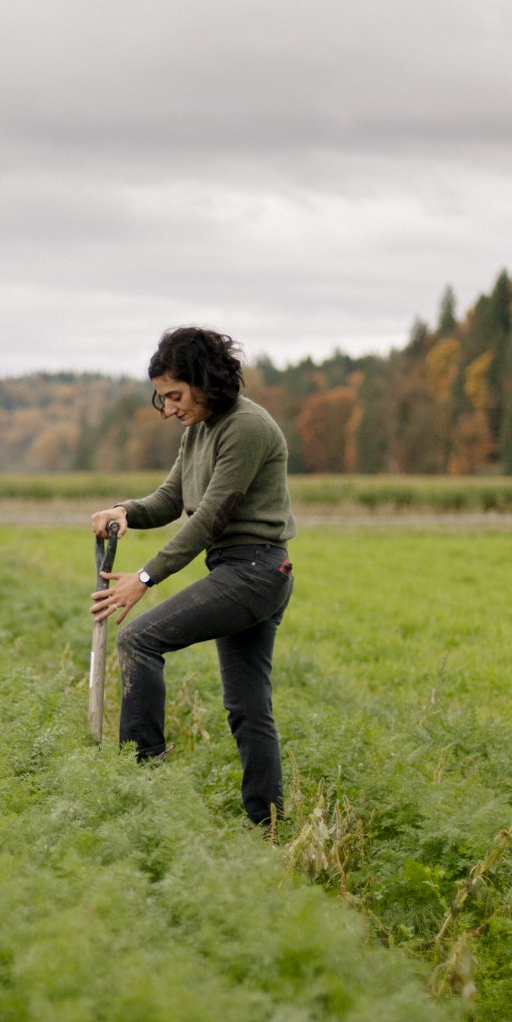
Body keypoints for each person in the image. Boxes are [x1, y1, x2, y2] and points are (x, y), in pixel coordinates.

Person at [90, 326, 296, 827]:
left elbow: (208, 518)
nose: (171, 407)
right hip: (239, 570)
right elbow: (170, 500)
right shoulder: (197, 431)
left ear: (206, 381)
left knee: (139, 639)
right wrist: (126, 511)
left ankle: (143, 783)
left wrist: (143, 576)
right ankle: (266, 825)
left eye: (176, 395)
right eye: (163, 398)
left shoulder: (246, 427)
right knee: (247, 706)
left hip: (255, 570)